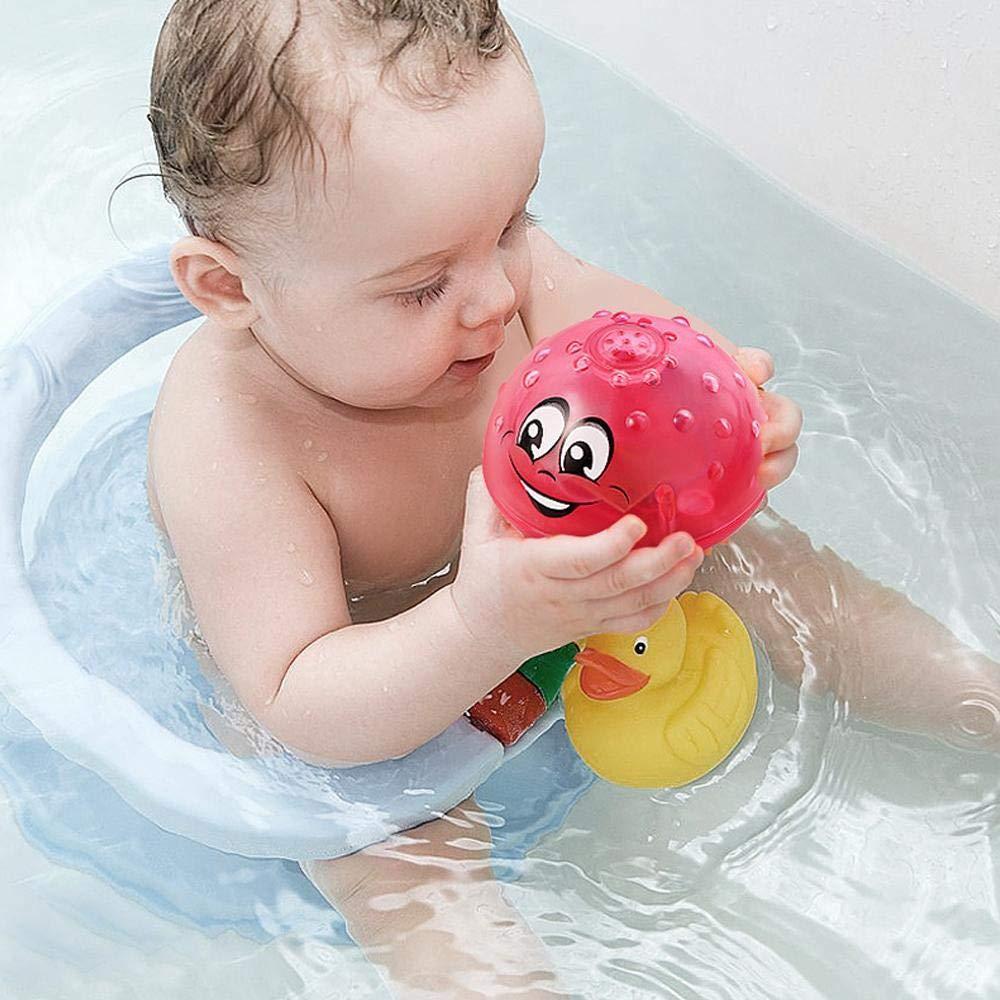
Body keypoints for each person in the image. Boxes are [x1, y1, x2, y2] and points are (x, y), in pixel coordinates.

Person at [144, 2, 997, 996]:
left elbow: (629, 334)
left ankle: (972, 696)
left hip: (538, 584)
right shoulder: (231, 438)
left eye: (513, 223)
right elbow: (301, 701)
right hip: (370, 681)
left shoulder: (481, 275)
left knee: (772, 564)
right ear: (231, 290)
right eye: (421, 287)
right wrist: (483, 623)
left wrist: (722, 404)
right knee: (399, 865)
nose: (499, 296)